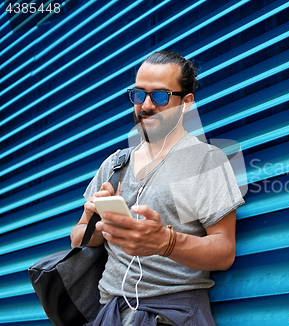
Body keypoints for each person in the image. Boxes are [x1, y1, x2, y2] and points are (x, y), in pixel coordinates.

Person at [70, 50, 245, 326]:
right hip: (109, 315)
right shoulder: (115, 165)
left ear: (186, 103)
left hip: (172, 315)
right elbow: (77, 238)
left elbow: (224, 251)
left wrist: (167, 243)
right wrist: (96, 222)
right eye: (139, 94)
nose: (146, 105)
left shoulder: (205, 160)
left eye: (160, 96)